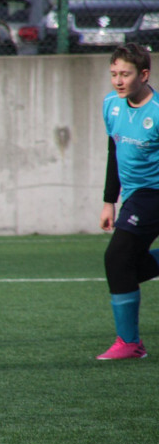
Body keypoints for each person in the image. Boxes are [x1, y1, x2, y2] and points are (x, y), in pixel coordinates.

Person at [97, 43, 159, 360]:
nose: (119, 81)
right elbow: (114, 151)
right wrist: (109, 201)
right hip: (133, 198)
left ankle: (130, 343)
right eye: (114, 74)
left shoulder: (158, 111)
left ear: (144, 74)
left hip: (154, 195)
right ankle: (131, 343)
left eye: (126, 74)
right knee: (125, 268)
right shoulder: (111, 104)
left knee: (116, 258)